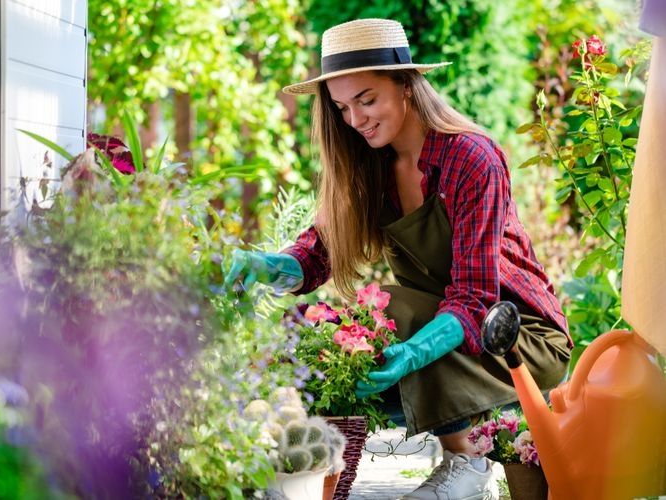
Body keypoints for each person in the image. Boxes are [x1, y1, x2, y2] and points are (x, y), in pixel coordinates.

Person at [224, 18, 572, 500]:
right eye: (343, 107)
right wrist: (267, 266)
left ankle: (466, 463)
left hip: (517, 337)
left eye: (367, 100)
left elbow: (474, 299)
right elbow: (317, 252)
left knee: (388, 308)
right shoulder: (370, 164)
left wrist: (409, 352)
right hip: (442, 328)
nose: (355, 119)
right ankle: (296, 472)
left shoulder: (471, 158)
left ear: (406, 85)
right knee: (315, 331)